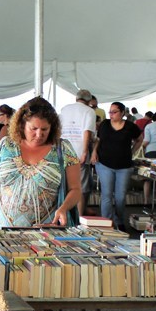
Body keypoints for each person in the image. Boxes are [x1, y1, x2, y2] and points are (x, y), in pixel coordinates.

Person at [0, 97, 81, 227]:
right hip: (2, 231)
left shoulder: (63, 149)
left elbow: (76, 189)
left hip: (46, 233)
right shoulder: (5, 146)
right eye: (33, 128)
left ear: (53, 127)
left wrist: (64, 208)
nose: (39, 134)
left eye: (44, 129)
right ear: (22, 125)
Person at [91, 101, 142, 230]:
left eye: (114, 112)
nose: (111, 114)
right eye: (110, 112)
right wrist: (94, 152)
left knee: (120, 197)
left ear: (122, 113)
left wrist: (132, 150)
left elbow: (140, 139)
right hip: (104, 164)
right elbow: (98, 140)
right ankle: (106, 222)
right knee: (106, 195)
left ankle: (119, 219)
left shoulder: (130, 127)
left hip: (124, 166)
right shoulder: (105, 125)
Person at [59, 89, 96, 217]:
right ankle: (79, 218)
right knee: (80, 186)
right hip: (79, 151)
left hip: (63, 151)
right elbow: (87, 132)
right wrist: (85, 151)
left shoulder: (65, 109)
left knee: (64, 184)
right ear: (89, 100)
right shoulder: (89, 111)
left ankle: (63, 214)